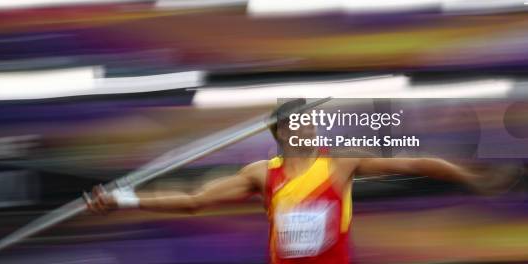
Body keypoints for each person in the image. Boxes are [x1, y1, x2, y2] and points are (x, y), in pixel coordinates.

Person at [86, 98, 512, 264]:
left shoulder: (341, 163)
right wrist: (123, 200)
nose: (309, 128)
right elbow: (194, 200)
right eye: (300, 124)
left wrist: (473, 177)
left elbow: (418, 163)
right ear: (282, 133)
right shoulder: (260, 175)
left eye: (312, 122)